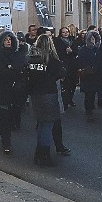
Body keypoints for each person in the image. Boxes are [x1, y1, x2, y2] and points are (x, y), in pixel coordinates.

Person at [26, 34, 65, 167]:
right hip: (48, 94)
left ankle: (38, 154)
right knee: (48, 125)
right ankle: (44, 155)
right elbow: (61, 74)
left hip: (35, 94)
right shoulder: (52, 59)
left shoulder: (31, 58)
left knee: (41, 124)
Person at [0, 30, 29, 154]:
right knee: (4, 119)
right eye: (6, 39)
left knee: (13, 115)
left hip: (16, 92)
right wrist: (12, 69)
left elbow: (22, 68)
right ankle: (6, 143)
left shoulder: (17, 54)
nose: (8, 41)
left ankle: (11, 131)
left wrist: (11, 68)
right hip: (1, 91)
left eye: (10, 39)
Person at [76, 30, 102, 122]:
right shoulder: (83, 49)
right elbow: (80, 61)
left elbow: (101, 61)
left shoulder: (97, 49)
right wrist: (87, 68)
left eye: (94, 39)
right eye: (91, 39)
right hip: (87, 75)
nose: (92, 40)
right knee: (88, 94)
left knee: (92, 94)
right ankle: (88, 111)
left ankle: (91, 109)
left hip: (96, 75)